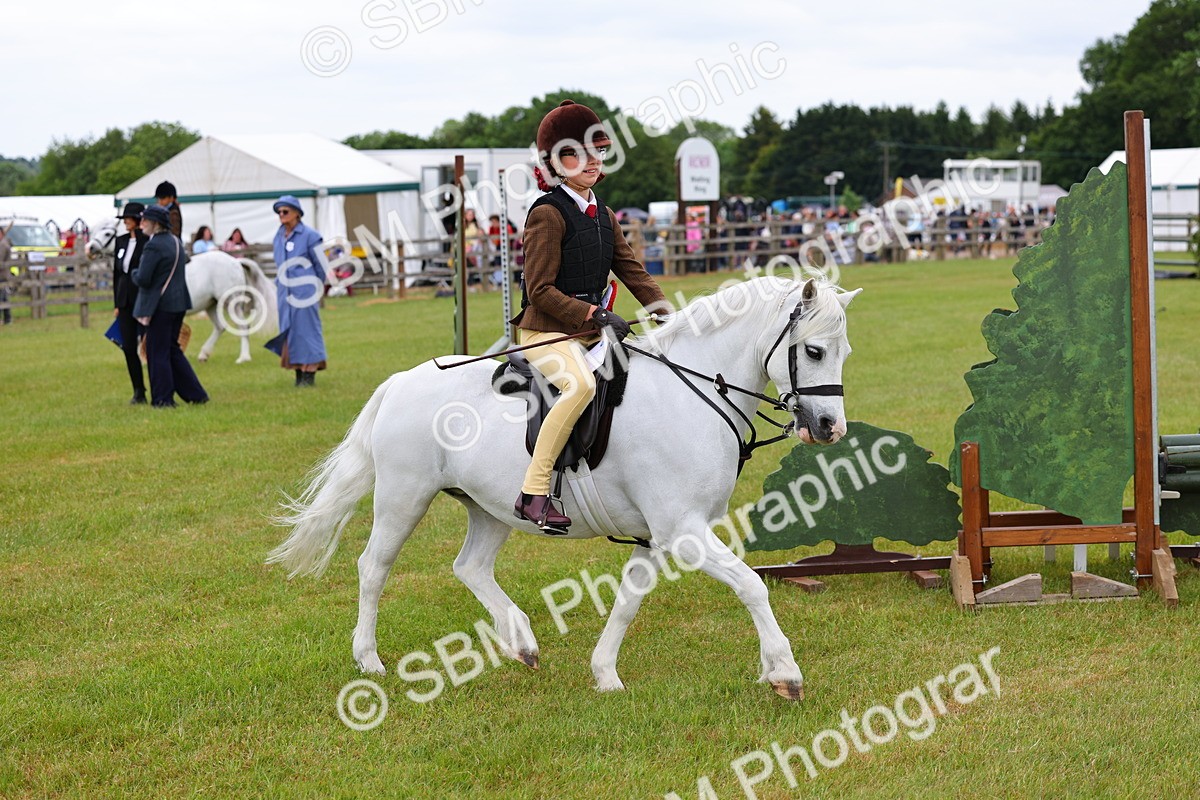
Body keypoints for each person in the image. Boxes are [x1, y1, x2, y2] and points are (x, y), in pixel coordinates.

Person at [510, 99, 668, 532]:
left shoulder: (606, 216)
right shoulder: (547, 214)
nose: (591, 163)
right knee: (578, 385)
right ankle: (534, 491)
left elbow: (633, 271)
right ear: (554, 164)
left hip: (590, 332)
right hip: (546, 333)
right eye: (575, 154)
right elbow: (539, 291)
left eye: (596, 152)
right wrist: (596, 313)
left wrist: (668, 314)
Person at [132, 205, 208, 408]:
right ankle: (196, 394)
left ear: (155, 223)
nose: (141, 224)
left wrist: (132, 273)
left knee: (158, 353)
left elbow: (143, 278)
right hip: (178, 303)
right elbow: (182, 263)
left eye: (145, 220)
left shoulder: (153, 245)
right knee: (172, 350)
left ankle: (163, 399)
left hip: (161, 305)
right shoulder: (175, 240)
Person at [272, 195, 327, 387]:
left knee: (307, 332)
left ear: (297, 213)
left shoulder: (310, 236)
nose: (281, 215)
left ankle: (309, 374)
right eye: (279, 212)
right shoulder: (278, 236)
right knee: (290, 332)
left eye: (285, 211)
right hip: (284, 293)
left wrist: (315, 286)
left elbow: (322, 265)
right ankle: (297, 371)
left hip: (305, 292)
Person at [112, 202, 149, 403]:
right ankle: (138, 390)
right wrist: (116, 303)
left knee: (148, 347)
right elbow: (116, 275)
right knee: (128, 347)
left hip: (142, 301)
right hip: (125, 301)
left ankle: (159, 386)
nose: (125, 221)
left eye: (128, 218)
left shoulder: (147, 242)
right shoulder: (121, 242)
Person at [0, 225, 12, 325]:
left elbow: (1, 261)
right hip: (3, 275)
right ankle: (7, 319)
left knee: (2, 297)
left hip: (2, 275)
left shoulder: (3, 245)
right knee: (4, 297)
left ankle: (7, 319)